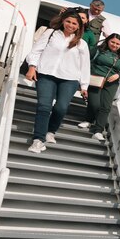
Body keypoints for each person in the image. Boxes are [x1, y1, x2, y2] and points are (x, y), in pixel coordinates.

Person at [25, 8, 90, 153]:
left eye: (74, 23)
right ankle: (38, 140)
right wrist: (32, 67)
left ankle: (51, 131)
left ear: (79, 26)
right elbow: (36, 51)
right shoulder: (50, 33)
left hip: (69, 79)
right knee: (44, 106)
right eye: (68, 21)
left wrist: (84, 86)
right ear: (63, 21)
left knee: (61, 107)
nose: (71, 25)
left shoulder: (81, 44)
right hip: (46, 74)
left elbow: (85, 66)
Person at [78, 33, 120, 141]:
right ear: (108, 41)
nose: (114, 45)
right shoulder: (98, 50)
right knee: (95, 104)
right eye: (113, 42)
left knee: (106, 107)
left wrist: (117, 75)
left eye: (117, 44)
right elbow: (85, 61)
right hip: (95, 80)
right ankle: (88, 120)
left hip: (111, 83)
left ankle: (98, 131)